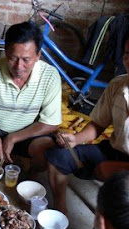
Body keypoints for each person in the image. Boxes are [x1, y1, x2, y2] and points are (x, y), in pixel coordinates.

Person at [46, 32, 129, 215]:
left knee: (117, 212)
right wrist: (75, 139)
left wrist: (121, 170)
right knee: (59, 156)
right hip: (114, 152)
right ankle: (60, 211)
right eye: (127, 54)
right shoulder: (117, 85)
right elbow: (98, 124)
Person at [0, 21, 61, 172]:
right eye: (13, 58)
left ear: (38, 55)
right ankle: (5, 168)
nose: (19, 67)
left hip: (29, 132)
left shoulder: (50, 76)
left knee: (48, 155)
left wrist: (14, 137)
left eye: (26, 59)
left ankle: (20, 170)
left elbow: (51, 123)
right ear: (6, 52)